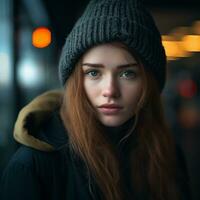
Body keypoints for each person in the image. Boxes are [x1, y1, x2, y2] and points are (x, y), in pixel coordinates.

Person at [0, 0, 191, 199]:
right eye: (93, 73)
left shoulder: (168, 155)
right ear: (75, 81)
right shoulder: (32, 166)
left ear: (149, 82)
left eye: (128, 74)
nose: (110, 90)